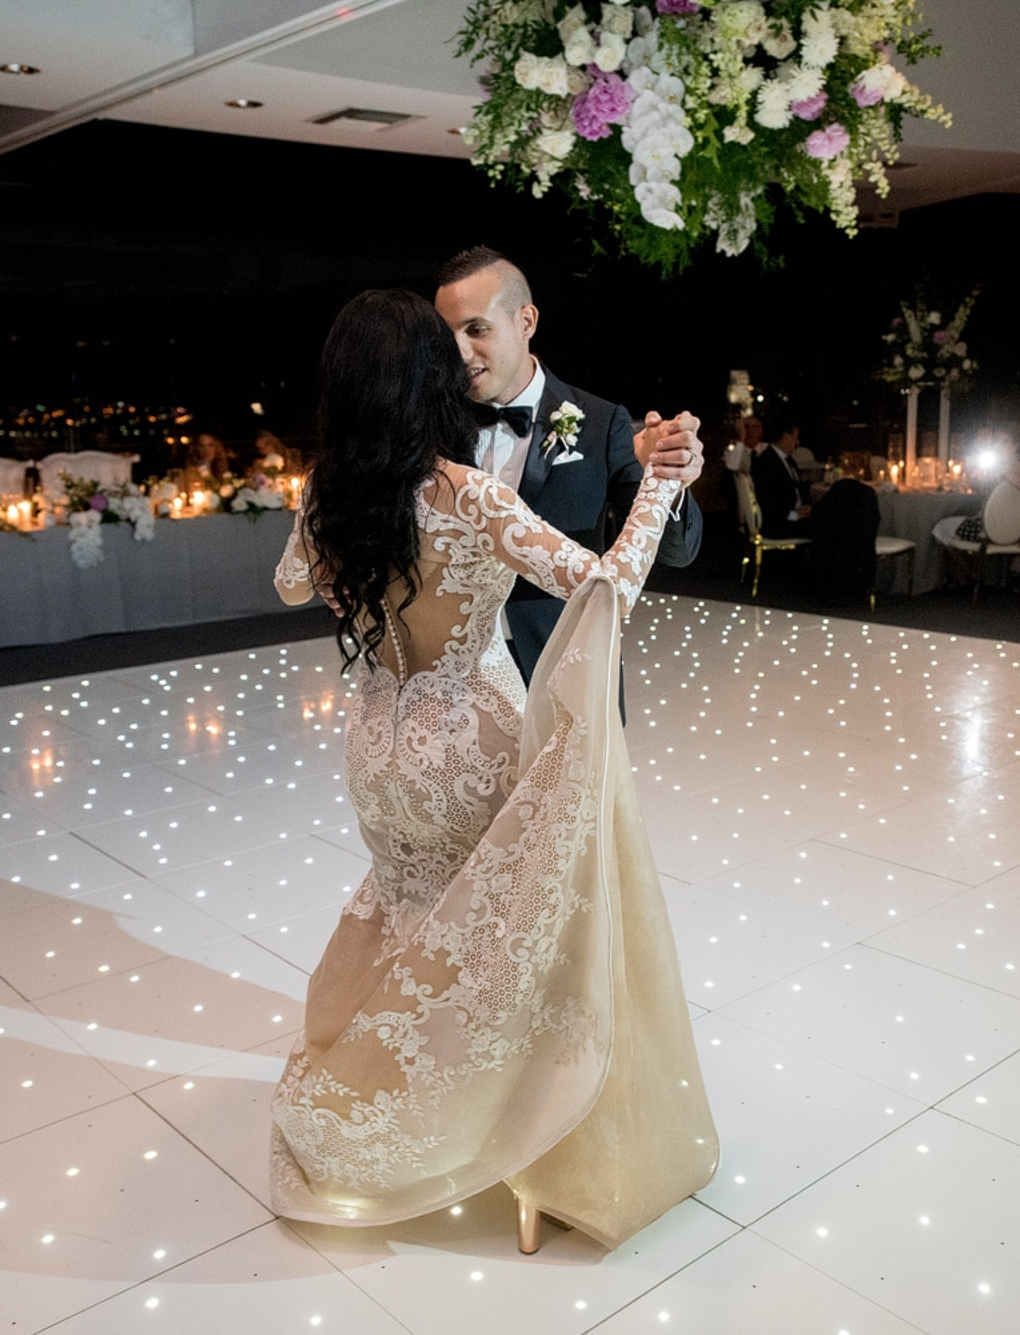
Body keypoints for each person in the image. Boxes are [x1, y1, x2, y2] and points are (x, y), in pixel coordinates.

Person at [268, 288, 716, 1254]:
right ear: (427, 380)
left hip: (380, 747)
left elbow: (291, 582)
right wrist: (658, 490)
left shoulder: (327, 495)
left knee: (417, 917)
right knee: (516, 940)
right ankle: (520, 1148)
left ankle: (410, 1092)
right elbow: (607, 585)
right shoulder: (464, 493)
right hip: (467, 738)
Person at [434, 246, 704, 680]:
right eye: (448, 336)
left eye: (477, 329)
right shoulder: (429, 424)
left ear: (526, 322)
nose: (460, 353)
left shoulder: (601, 422)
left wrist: (667, 478)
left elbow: (676, 553)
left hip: (566, 672)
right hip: (456, 679)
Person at [748, 412, 809, 533]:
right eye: (795, 438)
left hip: (791, 517)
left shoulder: (786, 460)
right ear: (786, 437)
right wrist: (795, 515)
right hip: (779, 524)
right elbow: (765, 502)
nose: (798, 442)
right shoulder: (766, 463)